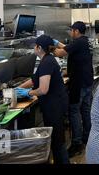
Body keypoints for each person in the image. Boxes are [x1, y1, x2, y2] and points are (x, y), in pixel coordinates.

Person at [16, 35, 69, 164]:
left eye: (35, 46)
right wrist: (17, 88)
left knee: (57, 142)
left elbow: (43, 89)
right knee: (57, 140)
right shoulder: (48, 59)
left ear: (39, 48)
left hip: (54, 106)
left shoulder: (46, 62)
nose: (34, 48)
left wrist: (28, 92)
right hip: (55, 104)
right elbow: (35, 79)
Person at [53, 21, 94, 157]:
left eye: (72, 30)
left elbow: (60, 53)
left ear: (76, 31)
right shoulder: (84, 41)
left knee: (74, 112)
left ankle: (76, 143)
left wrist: (48, 46)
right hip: (87, 82)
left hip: (79, 83)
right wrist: (58, 43)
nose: (71, 33)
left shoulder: (78, 42)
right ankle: (87, 139)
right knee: (85, 110)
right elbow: (68, 48)